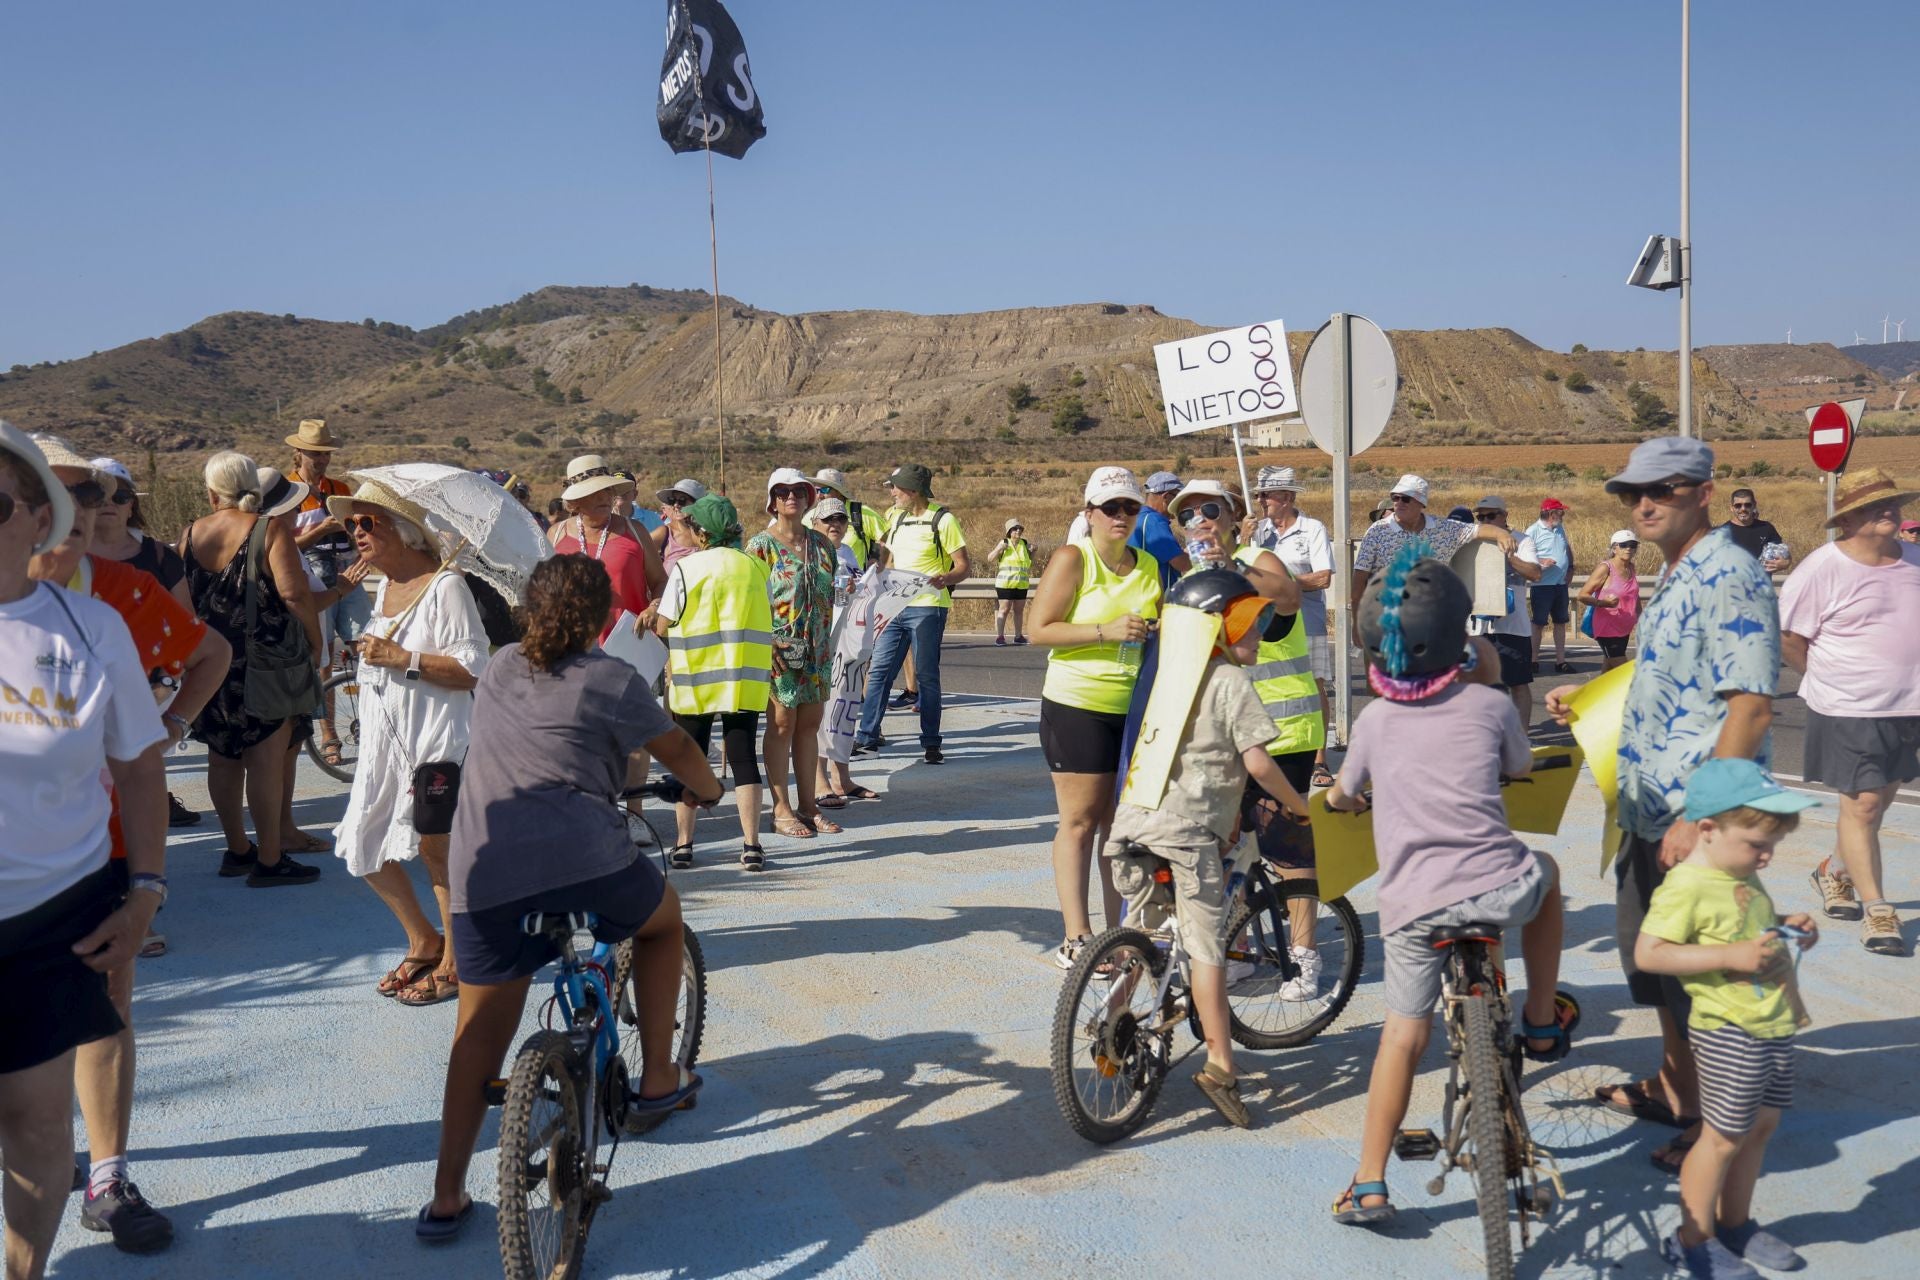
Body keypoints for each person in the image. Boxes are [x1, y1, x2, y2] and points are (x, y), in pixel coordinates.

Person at [419, 554, 720, 1241]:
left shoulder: (500, 667)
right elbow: (675, 746)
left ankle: (445, 1197)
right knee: (662, 923)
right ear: (602, 616)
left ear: (528, 609)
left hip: (483, 868)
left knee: (477, 1033)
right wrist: (708, 791)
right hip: (582, 856)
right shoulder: (611, 678)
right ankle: (658, 1078)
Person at [1546, 436, 1779, 1178]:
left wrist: (1697, 819)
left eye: (1663, 489)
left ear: (1703, 493)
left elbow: (1750, 707)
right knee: (1661, 970)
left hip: (1697, 821)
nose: (1644, 504)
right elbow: (1668, 680)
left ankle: (1717, 1127)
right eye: (1632, 493)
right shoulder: (1675, 571)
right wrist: (1588, 697)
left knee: (1706, 983)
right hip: (1650, 811)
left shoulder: (1730, 574)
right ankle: (1679, 1089)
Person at [16, 432, 218, 1256]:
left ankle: (105, 1174)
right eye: (62, 491)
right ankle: (40, 1154)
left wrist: (168, 730)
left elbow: (211, 654)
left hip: (100, 849)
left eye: (91, 493)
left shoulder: (121, 597)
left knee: (106, 1008)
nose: (81, 508)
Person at [1327, 548, 1569, 1226]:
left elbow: (1343, 795)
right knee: (1549, 874)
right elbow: (1518, 762)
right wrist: (1485, 672)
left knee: (1402, 1039)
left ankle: (1370, 1181)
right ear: (1459, 635)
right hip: (1499, 886)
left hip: (1415, 908)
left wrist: (1348, 799)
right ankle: (1541, 1018)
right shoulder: (1488, 706)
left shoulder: (1374, 722)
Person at [0, 425, 168, 1280]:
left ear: (39, 520)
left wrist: (144, 895)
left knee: (35, 1122)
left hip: (48, 918)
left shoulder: (90, 627)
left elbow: (139, 769)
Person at [1105, 568, 1313, 1128]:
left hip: (1133, 823)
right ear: (1218, 630)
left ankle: (1110, 1024)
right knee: (1206, 950)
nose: (1258, 635)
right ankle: (1221, 1066)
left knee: (1144, 935)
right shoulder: (1229, 681)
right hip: (1187, 833)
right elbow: (1258, 763)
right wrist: (1297, 803)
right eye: (1247, 624)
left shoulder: (1167, 675)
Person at [1634, 759, 1819, 1278]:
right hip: (1729, 1028)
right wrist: (1730, 957)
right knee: (1720, 1137)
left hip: (1773, 1020)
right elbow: (1650, 952)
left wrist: (1783, 924)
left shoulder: (1738, 870)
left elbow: (1737, 925)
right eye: (1757, 844)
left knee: (1760, 1126)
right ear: (1708, 829)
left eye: (1773, 845)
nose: (1767, 856)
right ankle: (1692, 1239)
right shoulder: (1688, 884)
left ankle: (1735, 1224)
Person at [327, 480, 488, 1007]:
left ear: (403, 530)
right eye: (351, 524)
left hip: (437, 741)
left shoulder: (445, 587)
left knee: (437, 850)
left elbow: (473, 669)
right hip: (386, 747)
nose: (355, 532)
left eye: (366, 522)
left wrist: (404, 659)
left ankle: (457, 962)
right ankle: (424, 940)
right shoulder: (387, 589)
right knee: (362, 843)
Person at [1780, 467, 1920, 956]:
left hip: (1908, 707)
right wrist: (1827, 680)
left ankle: (1833, 872)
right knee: (1861, 806)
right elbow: (1791, 639)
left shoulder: (1916, 561)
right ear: (1847, 520)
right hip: (1848, 707)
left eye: (1892, 503)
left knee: (1876, 804)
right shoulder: (1821, 569)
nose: (1889, 511)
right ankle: (1879, 912)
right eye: (1873, 507)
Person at [1030, 468, 1163, 968]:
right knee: (1080, 822)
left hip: (1132, 710)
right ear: (1089, 513)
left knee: (1120, 829)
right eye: (1110, 508)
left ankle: (1119, 934)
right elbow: (1038, 630)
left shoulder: (1148, 564)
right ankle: (1077, 937)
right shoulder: (1073, 557)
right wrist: (1105, 630)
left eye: (1130, 507)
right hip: (1077, 705)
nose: (1121, 516)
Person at [179, 451, 325, 887]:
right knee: (265, 761)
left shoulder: (190, 534)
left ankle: (237, 849)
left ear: (212, 493)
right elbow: (294, 595)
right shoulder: (268, 529)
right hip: (264, 663)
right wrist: (315, 643)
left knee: (222, 758)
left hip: (210, 662)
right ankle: (270, 859)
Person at [653, 494, 774, 871]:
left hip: (696, 680)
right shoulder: (756, 567)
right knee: (744, 759)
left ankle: (684, 845)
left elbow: (663, 625)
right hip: (743, 679)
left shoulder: (686, 569)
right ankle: (752, 845)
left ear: (702, 533)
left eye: (689, 525)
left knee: (690, 761)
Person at [87, 456, 202, 830]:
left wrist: (167, 687)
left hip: (149, 683)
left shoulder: (158, 556)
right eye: (98, 494)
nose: (110, 503)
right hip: (82, 685)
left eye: (120, 495)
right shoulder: (66, 557)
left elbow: (188, 626)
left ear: (132, 504)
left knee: (136, 765)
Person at [259, 467, 364, 860]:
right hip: (285, 657)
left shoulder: (257, 537)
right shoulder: (277, 540)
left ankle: (267, 841)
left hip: (272, 658)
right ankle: (276, 844)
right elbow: (297, 597)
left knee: (270, 753)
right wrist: (319, 635)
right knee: (279, 751)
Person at [852, 464, 970, 765]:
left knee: (926, 675)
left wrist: (946, 578)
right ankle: (866, 738)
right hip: (895, 605)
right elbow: (885, 553)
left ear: (913, 490)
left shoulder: (943, 520)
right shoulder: (894, 516)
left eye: (896, 487)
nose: (892, 493)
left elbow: (963, 566)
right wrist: (875, 570)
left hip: (928, 606)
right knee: (879, 671)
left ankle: (931, 743)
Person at [746, 469, 841, 839]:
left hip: (817, 649)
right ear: (772, 500)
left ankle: (808, 806)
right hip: (779, 649)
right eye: (783, 492)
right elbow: (750, 600)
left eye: (799, 491)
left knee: (809, 724)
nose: (791, 497)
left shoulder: (823, 545)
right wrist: (765, 641)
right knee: (782, 723)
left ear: (808, 498)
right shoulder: (760, 546)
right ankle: (781, 808)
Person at [1245, 465, 1335, 784]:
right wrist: (1244, 539)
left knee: (1313, 685)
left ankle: (1319, 759)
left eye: (1265, 495)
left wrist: (1282, 584)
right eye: (1258, 495)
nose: (1260, 501)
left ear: (1286, 497)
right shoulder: (1258, 532)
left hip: (1306, 621)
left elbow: (1323, 577)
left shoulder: (1312, 529)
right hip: (1265, 626)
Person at [285, 420, 365, 766]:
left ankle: (376, 723)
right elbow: (284, 547)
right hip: (314, 578)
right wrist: (320, 530)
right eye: (315, 453)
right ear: (298, 453)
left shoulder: (339, 489)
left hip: (349, 572)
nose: (321, 460)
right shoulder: (288, 492)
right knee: (324, 659)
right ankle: (328, 734)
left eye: (325, 454)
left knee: (367, 644)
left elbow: (355, 532)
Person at [1350, 473, 1512, 634]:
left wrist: (1501, 534)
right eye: (1395, 497)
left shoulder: (1444, 530)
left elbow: (1478, 530)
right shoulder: (1377, 531)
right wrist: (1357, 624)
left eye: (1405, 499)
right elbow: (1359, 579)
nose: (1398, 503)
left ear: (1421, 502)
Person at [810, 497, 878, 807]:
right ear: (815, 524)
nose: (834, 525)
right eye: (828, 520)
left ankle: (842, 778)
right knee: (820, 711)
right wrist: (839, 590)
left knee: (844, 709)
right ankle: (818, 780)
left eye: (840, 519)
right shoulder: (810, 552)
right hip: (822, 643)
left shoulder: (847, 552)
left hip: (849, 644)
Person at [551, 455, 663, 638]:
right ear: (575, 501)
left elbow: (660, 581)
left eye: (608, 489)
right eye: (594, 491)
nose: (604, 496)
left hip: (631, 642)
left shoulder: (635, 531)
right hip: (572, 645)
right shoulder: (556, 535)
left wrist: (654, 607)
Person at [1470, 495, 1544, 726]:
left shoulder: (1522, 540)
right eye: (1481, 517)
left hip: (1512, 627)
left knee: (1518, 684)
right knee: (1477, 685)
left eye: (1491, 515)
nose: (1485, 520)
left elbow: (1535, 574)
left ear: (1504, 516)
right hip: (1477, 626)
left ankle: (1521, 738)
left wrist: (1509, 558)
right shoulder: (1470, 539)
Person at [1575, 530, 1642, 671]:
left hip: (1624, 627)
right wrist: (1604, 603)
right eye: (1624, 545)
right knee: (1625, 673)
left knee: (1609, 670)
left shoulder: (1631, 567)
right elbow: (1582, 595)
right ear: (1614, 548)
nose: (1629, 548)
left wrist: (1642, 619)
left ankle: (1599, 687)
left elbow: (1634, 596)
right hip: (1607, 628)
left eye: (1633, 545)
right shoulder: (1606, 568)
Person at [1525, 497, 1574, 673]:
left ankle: (1560, 661)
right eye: (1561, 512)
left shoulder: (1559, 528)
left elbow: (1566, 549)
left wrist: (1571, 568)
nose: (1563, 515)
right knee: (1538, 623)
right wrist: (1541, 561)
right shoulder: (1533, 531)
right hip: (1542, 585)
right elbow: (1523, 556)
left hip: (1560, 584)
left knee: (1560, 622)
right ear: (1552, 513)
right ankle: (1533, 660)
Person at [811, 468, 887, 569]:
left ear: (839, 491)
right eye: (817, 490)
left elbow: (884, 537)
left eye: (824, 490)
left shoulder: (863, 513)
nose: (819, 495)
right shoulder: (810, 515)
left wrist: (875, 557)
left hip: (857, 577)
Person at [1133, 470, 1192, 590]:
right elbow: (1182, 564)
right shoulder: (1154, 522)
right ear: (1166, 497)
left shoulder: (1137, 517)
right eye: (1178, 497)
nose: (1179, 504)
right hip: (1158, 595)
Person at [1718, 487, 1791, 574]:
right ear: (1731, 508)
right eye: (1738, 505)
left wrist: (1785, 563)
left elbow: (1784, 554)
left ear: (1754, 505)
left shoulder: (1766, 528)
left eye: (1747, 505)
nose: (1743, 509)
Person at [987, 518, 1035, 646]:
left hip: (1021, 584)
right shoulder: (1003, 543)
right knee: (1004, 609)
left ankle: (1018, 636)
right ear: (1009, 531)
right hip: (1005, 584)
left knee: (1019, 611)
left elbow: (1028, 563)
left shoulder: (1025, 544)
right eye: (1015, 529)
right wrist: (999, 549)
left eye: (1020, 528)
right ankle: (1000, 637)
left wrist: (1033, 552)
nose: (1018, 530)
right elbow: (990, 558)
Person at [652, 477, 710, 575]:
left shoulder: (711, 534)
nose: (676, 505)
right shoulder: (666, 533)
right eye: (672, 500)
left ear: (698, 504)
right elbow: (636, 552)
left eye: (682, 500)